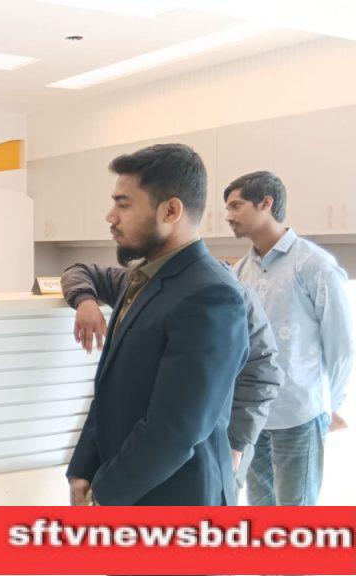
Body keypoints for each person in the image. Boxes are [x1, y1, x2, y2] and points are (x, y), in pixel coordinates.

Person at [66, 143, 249, 506]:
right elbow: (110, 392)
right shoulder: (145, 279)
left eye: (123, 204)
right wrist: (83, 467)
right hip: (130, 491)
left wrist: (105, 494)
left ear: (170, 211)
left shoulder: (212, 294)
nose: (110, 217)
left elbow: (176, 429)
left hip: (178, 503)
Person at [60, 261, 283, 491]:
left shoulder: (226, 291)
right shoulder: (137, 282)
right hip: (144, 448)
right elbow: (78, 271)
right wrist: (85, 301)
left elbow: (263, 372)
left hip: (213, 449)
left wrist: (237, 444)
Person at [224, 170, 353, 505]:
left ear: (266, 203)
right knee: (260, 512)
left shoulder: (314, 264)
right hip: (254, 417)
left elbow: (341, 345)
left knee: (295, 517)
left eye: (236, 205)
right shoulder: (240, 271)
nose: (228, 215)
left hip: (300, 415)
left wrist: (333, 405)